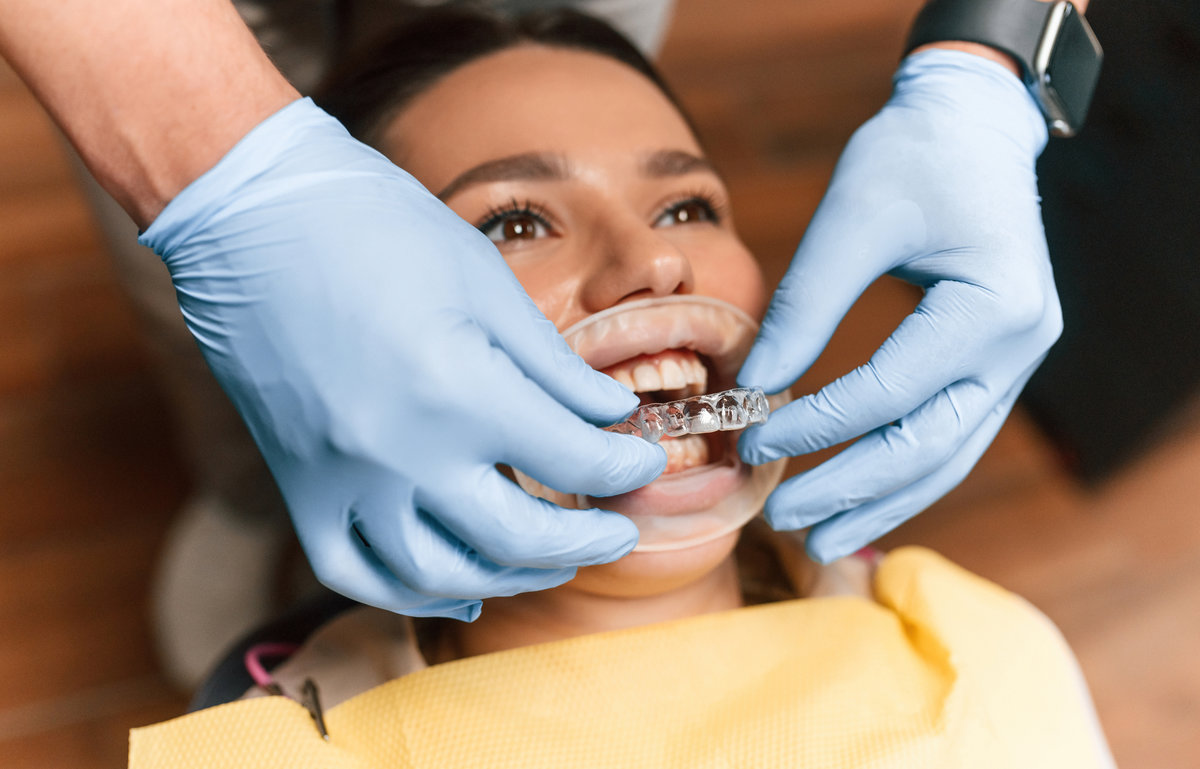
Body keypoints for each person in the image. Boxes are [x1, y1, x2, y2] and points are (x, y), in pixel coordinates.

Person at [127, 10, 1113, 765]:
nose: (654, 262)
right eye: (514, 223)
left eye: (686, 204)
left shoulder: (980, 654)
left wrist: (983, 68)